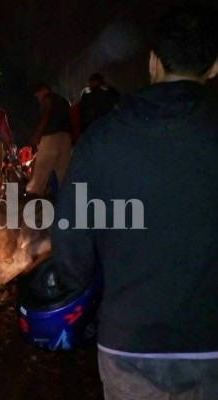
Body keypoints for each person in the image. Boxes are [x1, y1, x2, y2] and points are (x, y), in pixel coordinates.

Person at [52, 4, 218, 399]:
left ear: (152, 62)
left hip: (129, 345)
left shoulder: (101, 140)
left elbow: (70, 241)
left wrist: (85, 293)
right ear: (214, 68)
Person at [26, 83, 72, 197]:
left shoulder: (48, 98)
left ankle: (34, 193)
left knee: (42, 167)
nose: (39, 98)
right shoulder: (65, 101)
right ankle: (68, 196)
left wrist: (37, 135)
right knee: (64, 170)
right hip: (66, 137)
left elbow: (45, 116)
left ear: (43, 91)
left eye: (38, 95)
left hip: (51, 137)